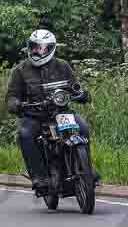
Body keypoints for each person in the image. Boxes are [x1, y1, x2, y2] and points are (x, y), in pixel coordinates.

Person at [5, 29, 98, 191]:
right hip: (35, 116)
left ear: (51, 48)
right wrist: (16, 104)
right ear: (29, 47)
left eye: (42, 48)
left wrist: (82, 94)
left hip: (61, 113)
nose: (37, 51)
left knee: (82, 126)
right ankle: (39, 176)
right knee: (25, 134)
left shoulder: (62, 66)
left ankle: (87, 170)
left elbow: (74, 87)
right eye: (34, 47)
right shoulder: (20, 70)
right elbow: (11, 96)